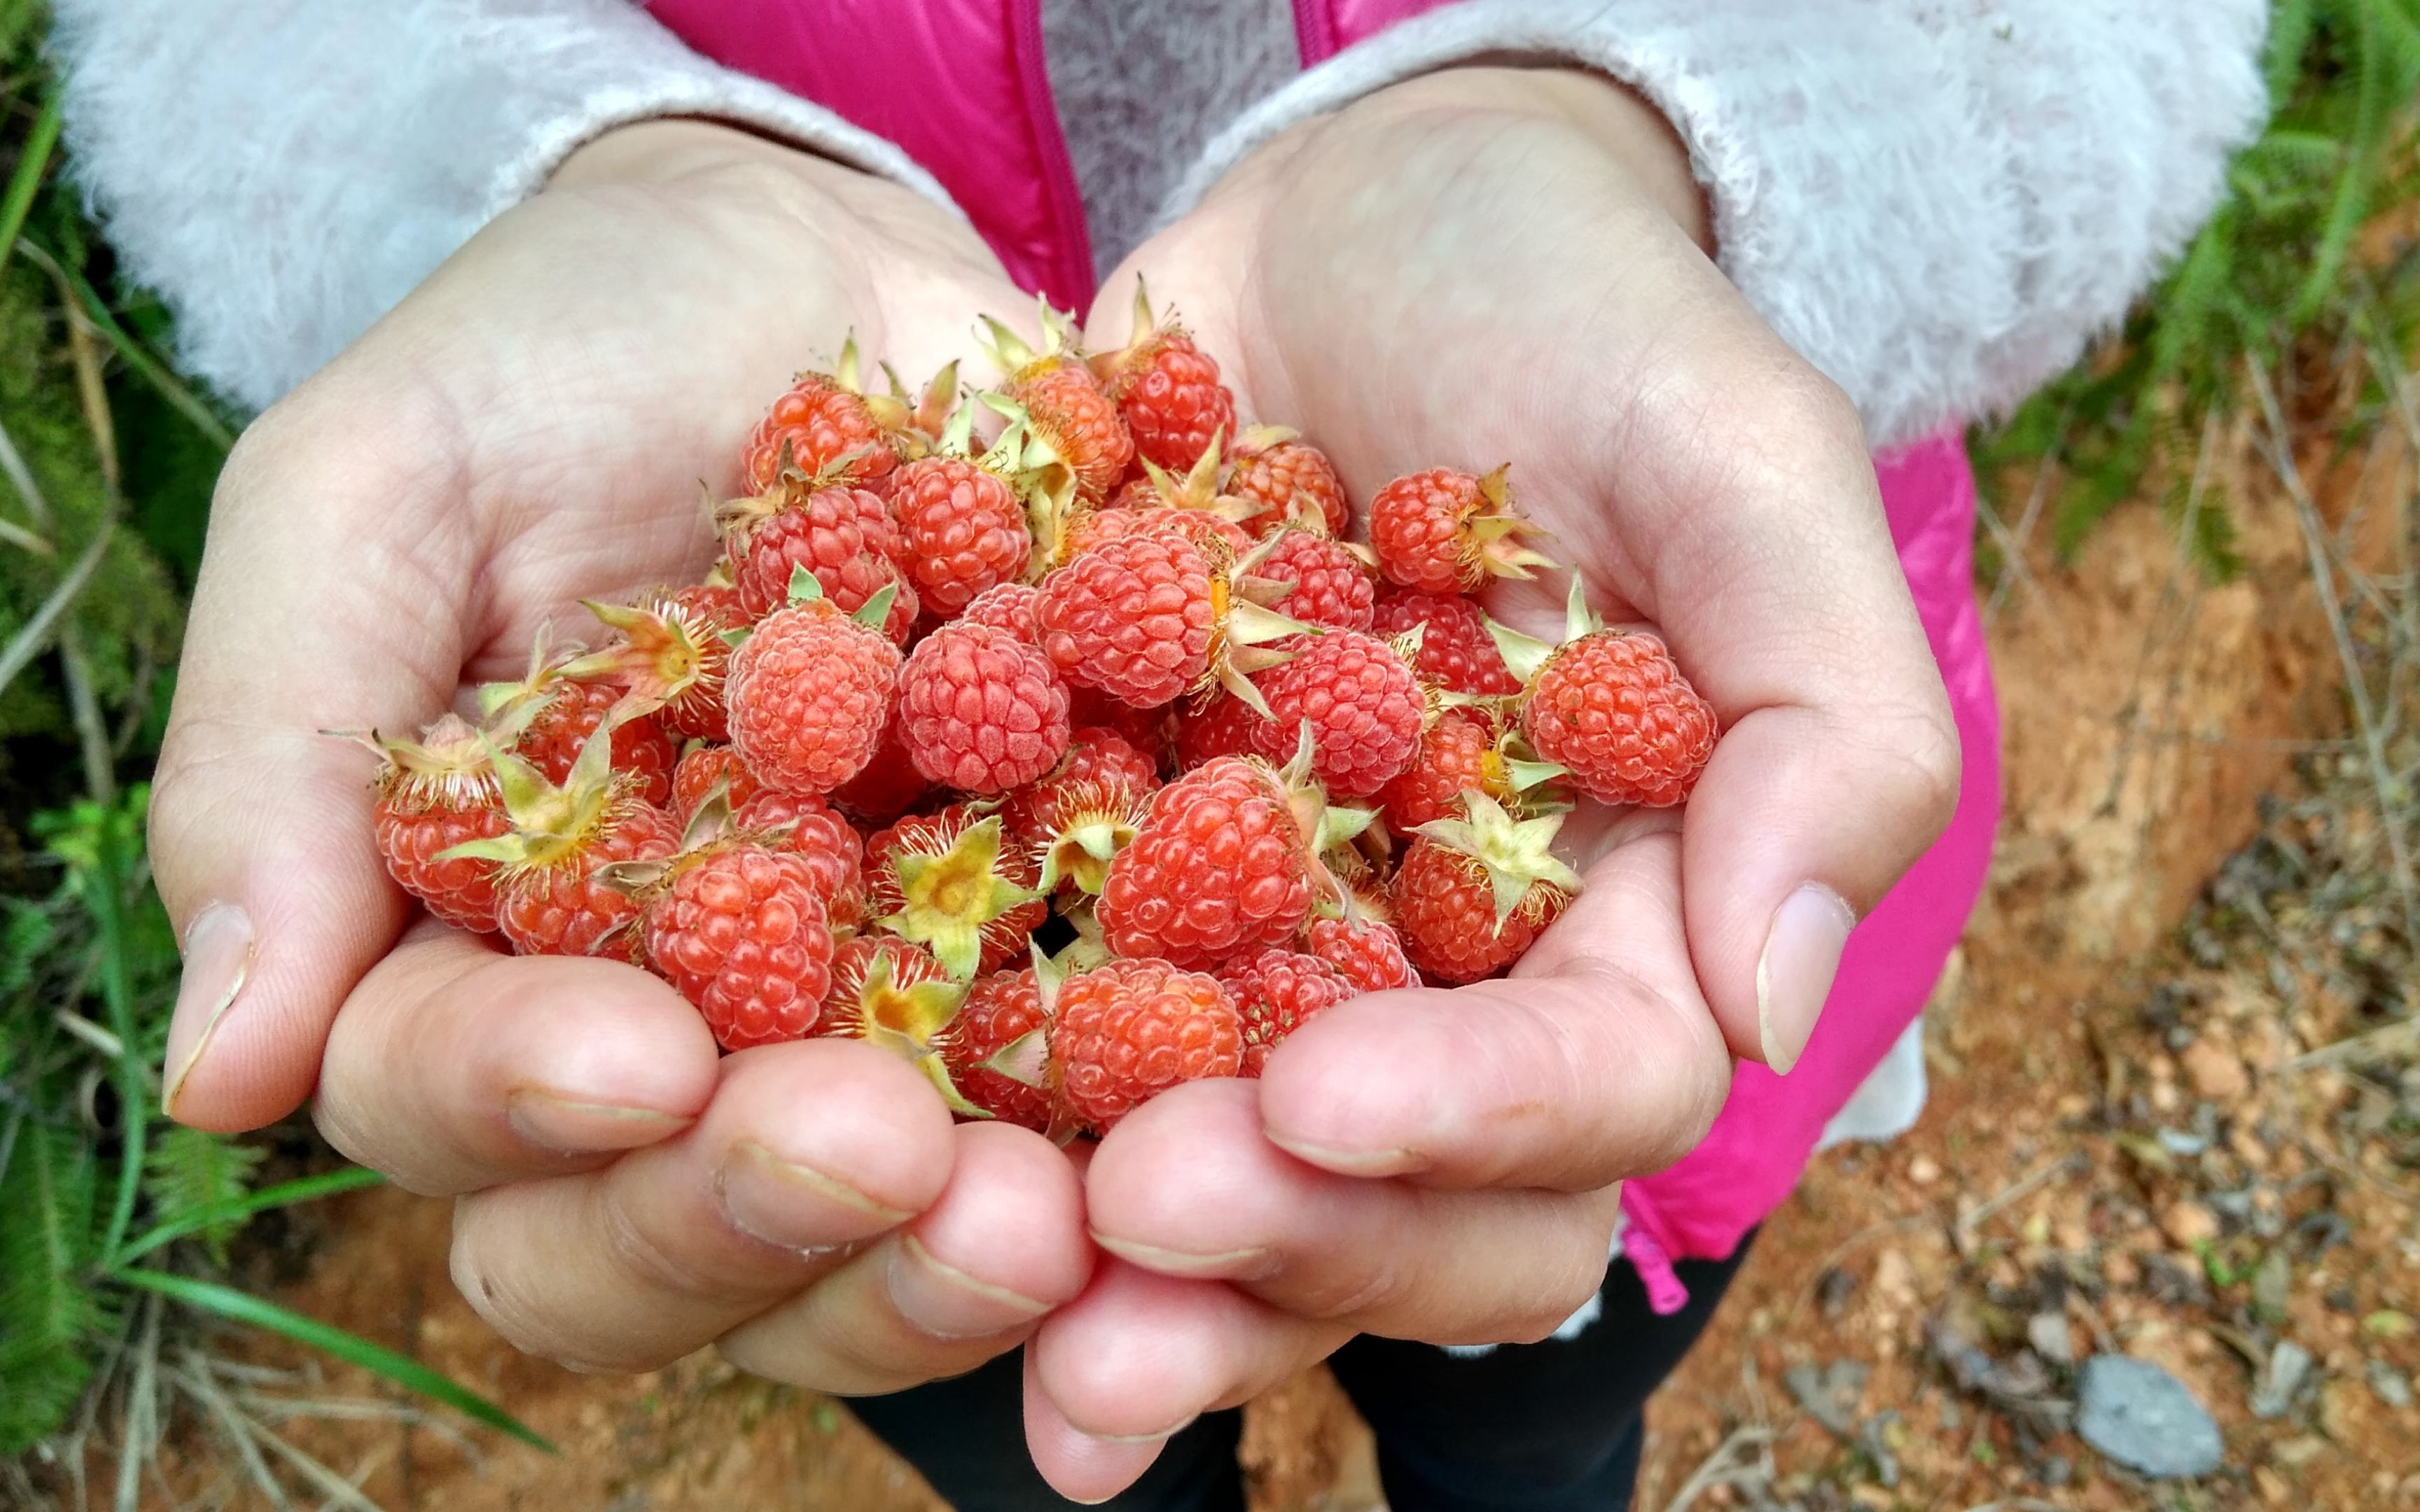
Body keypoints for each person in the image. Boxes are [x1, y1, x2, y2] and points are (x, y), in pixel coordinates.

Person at [52, 1, 2269, 1506]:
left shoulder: (1381, 710)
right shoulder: (870, 686)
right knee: (1036, 1384)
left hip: (1661, 997)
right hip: (940, 1212)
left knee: (1547, 1406)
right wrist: (549, 165)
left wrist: (1624, 118)